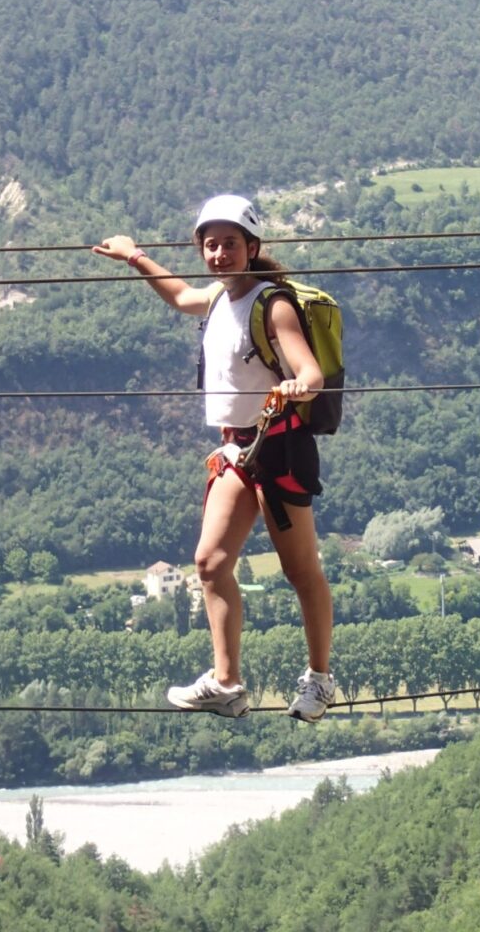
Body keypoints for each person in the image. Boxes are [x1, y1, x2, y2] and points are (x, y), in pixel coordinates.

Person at [93, 195, 335, 722]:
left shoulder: (273, 304)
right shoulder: (221, 300)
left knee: (300, 571)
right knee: (209, 563)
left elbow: (311, 373)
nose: (220, 254)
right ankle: (226, 683)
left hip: (279, 445)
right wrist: (134, 256)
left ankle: (319, 681)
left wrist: (296, 386)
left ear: (252, 246)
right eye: (211, 245)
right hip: (236, 449)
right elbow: (179, 297)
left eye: (230, 244)